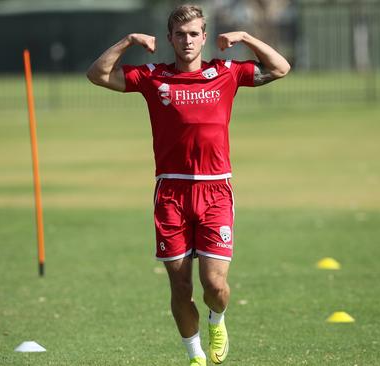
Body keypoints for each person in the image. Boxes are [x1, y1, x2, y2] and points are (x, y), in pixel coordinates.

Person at [86, 4, 289, 366]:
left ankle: (217, 320)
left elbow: (280, 68)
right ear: (170, 39)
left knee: (215, 286)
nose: (188, 40)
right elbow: (98, 75)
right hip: (172, 194)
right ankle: (195, 356)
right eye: (180, 34)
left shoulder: (224, 72)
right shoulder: (153, 77)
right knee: (180, 287)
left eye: (194, 33)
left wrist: (244, 37)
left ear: (204, 37)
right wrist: (129, 40)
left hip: (215, 191)